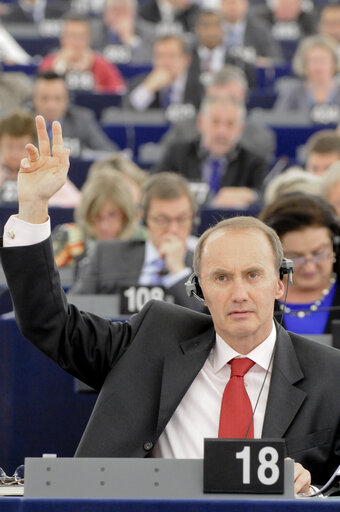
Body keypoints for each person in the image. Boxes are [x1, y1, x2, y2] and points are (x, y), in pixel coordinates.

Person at [3, 116, 340, 491]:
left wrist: (315, 490)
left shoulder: (331, 374)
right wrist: (33, 208)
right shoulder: (151, 341)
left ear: (280, 283)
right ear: (198, 290)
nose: (239, 293)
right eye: (221, 278)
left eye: (253, 275)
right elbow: (46, 322)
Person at [70, 172, 202, 312]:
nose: (172, 229)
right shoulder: (107, 255)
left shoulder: (205, 264)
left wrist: (179, 271)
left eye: (182, 219)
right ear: (144, 218)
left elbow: (207, 322)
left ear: (193, 218)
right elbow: (75, 309)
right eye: (162, 220)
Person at [154, 95, 268, 207]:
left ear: (240, 129)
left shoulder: (253, 162)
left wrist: (252, 195)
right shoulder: (177, 154)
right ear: (200, 123)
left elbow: (266, 196)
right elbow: (154, 187)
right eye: (215, 122)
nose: (221, 131)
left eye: (230, 124)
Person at [158, 65, 276, 164]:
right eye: (216, 100)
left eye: (232, 100)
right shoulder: (182, 132)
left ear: (244, 98)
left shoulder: (260, 139)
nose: (224, 107)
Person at [260, 193, 340, 335]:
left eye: (318, 253)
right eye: (295, 257)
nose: (309, 267)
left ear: (335, 246)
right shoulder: (256, 295)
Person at [52, 169, 146, 268]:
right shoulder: (67, 238)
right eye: (96, 216)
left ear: (126, 214)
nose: (104, 225)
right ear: (87, 214)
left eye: (112, 215)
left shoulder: (142, 239)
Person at [0, 109, 79, 207]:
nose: (15, 154)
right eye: (9, 146)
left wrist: (40, 199)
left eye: (21, 147)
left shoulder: (44, 169)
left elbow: (77, 201)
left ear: (33, 145)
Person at [32, 71, 117, 157]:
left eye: (58, 98)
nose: (51, 105)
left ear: (67, 100)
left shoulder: (82, 120)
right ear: (34, 99)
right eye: (44, 98)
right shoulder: (24, 123)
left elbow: (109, 153)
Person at [39, 14, 126, 93]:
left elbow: (118, 91)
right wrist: (57, 68)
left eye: (81, 37)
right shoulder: (49, 63)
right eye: (72, 36)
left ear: (89, 39)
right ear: (62, 38)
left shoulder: (102, 64)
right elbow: (40, 93)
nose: (76, 43)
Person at [127, 33, 201, 112]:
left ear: (186, 60)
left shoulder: (199, 86)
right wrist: (148, 88)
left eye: (172, 56)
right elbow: (124, 113)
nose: (166, 62)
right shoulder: (140, 84)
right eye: (160, 56)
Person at [273, 35, 340, 121]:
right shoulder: (292, 93)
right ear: (304, 64)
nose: (318, 66)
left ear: (334, 63)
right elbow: (278, 121)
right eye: (313, 61)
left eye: (323, 60)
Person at [219, 0, 283, 65]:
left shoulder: (261, 29)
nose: (232, 7)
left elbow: (276, 59)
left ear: (245, 4)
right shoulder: (213, 27)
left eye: (235, 3)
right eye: (228, 3)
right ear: (221, 6)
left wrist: (261, 61)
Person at [91, 0, 153, 64]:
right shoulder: (92, 31)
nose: (119, 16)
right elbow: (90, 58)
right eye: (114, 10)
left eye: (124, 10)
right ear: (105, 13)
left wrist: (131, 40)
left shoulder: (148, 32)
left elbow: (148, 61)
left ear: (134, 13)